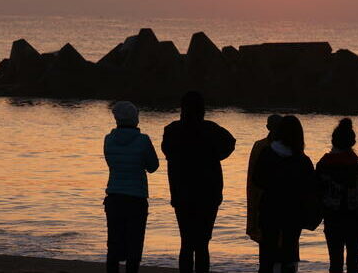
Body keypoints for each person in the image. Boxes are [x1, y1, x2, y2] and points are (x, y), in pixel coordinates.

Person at [161, 91, 236, 273]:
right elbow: (230, 143)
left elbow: (167, 152)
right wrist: (216, 156)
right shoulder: (211, 129)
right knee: (202, 244)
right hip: (208, 195)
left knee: (186, 242)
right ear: (202, 109)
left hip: (181, 193)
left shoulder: (172, 130)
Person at [103, 101, 160, 273]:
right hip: (136, 198)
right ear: (135, 119)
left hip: (114, 196)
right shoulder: (143, 140)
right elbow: (153, 166)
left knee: (113, 243)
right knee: (135, 243)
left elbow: (111, 163)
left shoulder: (108, 139)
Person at [254, 115, 315, 273]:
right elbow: (311, 190)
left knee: (267, 254)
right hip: (293, 213)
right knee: (290, 253)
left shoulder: (267, 153)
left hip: (269, 209)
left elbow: (257, 180)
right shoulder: (303, 161)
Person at [316, 118, 358, 273]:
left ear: (333, 141)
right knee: (354, 264)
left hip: (332, 219)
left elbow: (317, 192)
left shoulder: (323, 164)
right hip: (356, 219)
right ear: (352, 142)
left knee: (335, 263)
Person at [246, 115, 283, 261]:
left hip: (268, 204)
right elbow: (253, 180)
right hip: (266, 203)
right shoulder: (261, 146)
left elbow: (252, 180)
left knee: (268, 251)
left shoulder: (261, 146)